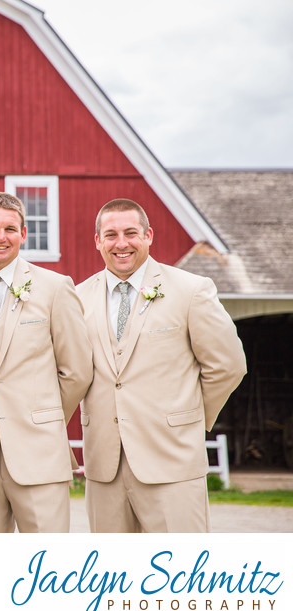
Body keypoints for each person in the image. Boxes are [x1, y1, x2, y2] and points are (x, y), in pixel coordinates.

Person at [76, 198, 246, 532]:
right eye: (110, 235)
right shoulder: (77, 297)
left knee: (179, 573)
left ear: (149, 235)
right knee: (110, 576)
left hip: (172, 460)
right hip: (104, 466)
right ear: (97, 241)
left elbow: (227, 365)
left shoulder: (190, 290)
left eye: (130, 233)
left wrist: (187, 419)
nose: (121, 243)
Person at [0, 192, 93, 532]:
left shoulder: (55, 287)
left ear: (23, 234)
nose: (1, 237)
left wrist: (40, 415)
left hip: (39, 451)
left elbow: (76, 371)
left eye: (10, 229)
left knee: (47, 564)